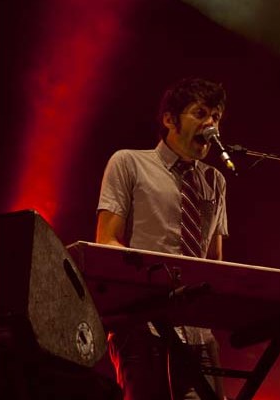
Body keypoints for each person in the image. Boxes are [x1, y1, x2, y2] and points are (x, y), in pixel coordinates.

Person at [95, 77, 228, 400]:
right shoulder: (128, 163)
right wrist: (153, 280)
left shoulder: (215, 181)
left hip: (198, 332)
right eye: (200, 113)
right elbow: (106, 243)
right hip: (144, 325)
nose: (211, 124)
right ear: (170, 119)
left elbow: (216, 263)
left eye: (217, 117)